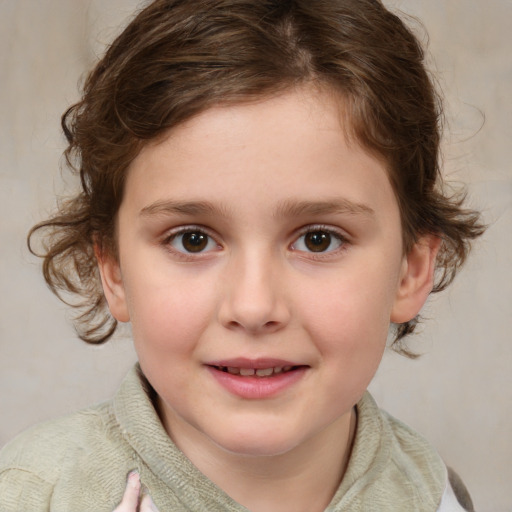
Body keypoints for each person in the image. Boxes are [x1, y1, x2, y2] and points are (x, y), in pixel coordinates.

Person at [0, 0, 485, 510]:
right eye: (193, 240)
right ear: (114, 269)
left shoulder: (435, 494)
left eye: (319, 239)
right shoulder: (36, 493)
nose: (254, 308)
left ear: (411, 270)